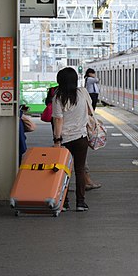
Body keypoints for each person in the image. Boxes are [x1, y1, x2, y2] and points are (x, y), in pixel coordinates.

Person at [51, 67, 92, 212]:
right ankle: (81, 203)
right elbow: (89, 111)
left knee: (63, 171)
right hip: (81, 137)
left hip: (65, 139)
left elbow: (58, 120)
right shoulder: (82, 93)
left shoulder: (58, 97)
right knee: (80, 170)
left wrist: (57, 140)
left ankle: (64, 202)